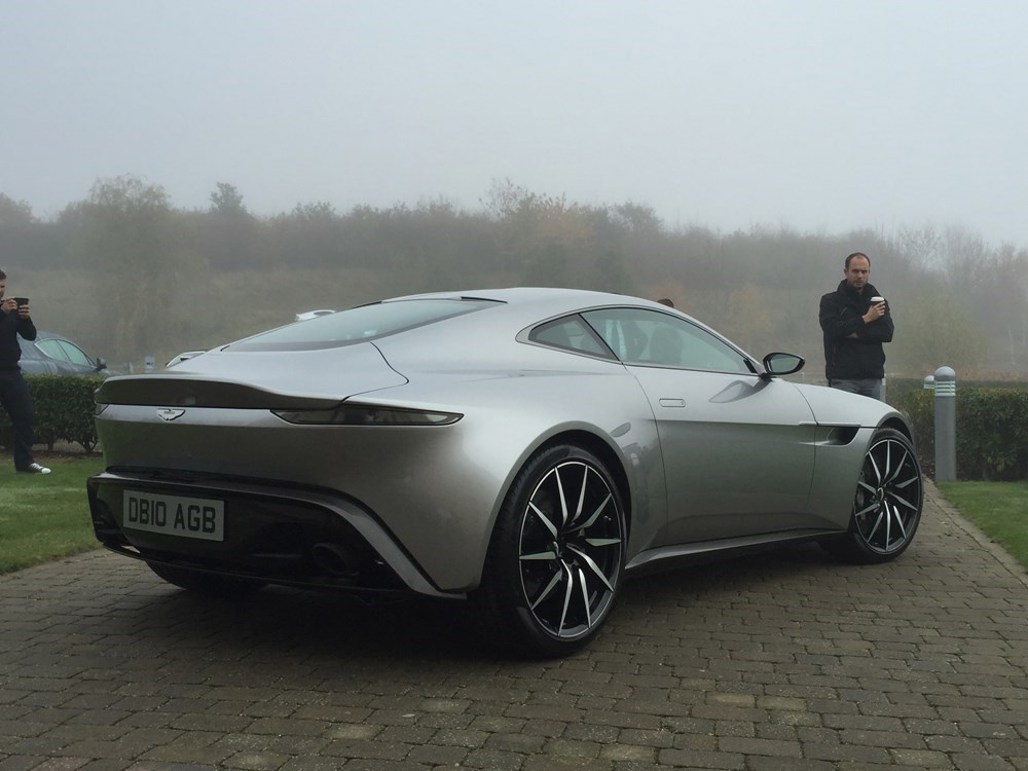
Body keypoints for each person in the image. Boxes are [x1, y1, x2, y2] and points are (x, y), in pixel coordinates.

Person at [818, 252, 893, 401]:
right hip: (842, 378)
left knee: (874, 417)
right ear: (846, 272)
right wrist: (866, 318)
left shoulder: (879, 303)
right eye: (855, 271)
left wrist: (854, 333)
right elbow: (832, 330)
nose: (860, 276)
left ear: (869, 272)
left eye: (864, 272)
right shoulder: (830, 301)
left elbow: (887, 333)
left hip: (873, 378)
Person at [0, 268, 50, 474]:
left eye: (3, 286)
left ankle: (25, 462)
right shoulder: (4, 311)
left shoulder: (11, 310)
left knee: (25, 415)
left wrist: (26, 318)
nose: (1, 290)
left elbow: (30, 335)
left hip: (10, 372)